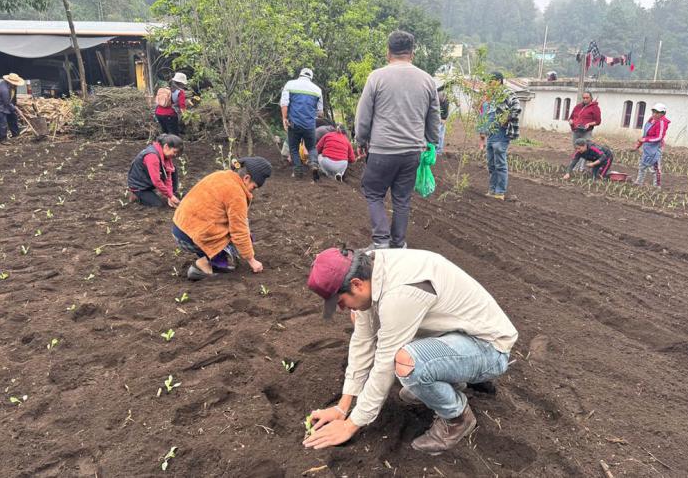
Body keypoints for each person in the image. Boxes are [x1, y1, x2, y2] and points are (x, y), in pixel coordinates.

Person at [303, 247, 518, 454]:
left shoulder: (400, 293)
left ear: (356, 284)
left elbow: (385, 363)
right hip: (453, 335)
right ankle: (446, 379)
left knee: (408, 364)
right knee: (362, 316)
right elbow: (363, 340)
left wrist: (351, 424)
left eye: (340, 301)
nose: (340, 308)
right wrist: (342, 407)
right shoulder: (366, 269)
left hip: (488, 348)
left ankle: (458, 418)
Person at [355, 30, 440, 250]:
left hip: (382, 150)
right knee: (402, 199)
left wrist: (360, 140)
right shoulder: (427, 80)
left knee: (374, 192)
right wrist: (432, 141)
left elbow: (363, 115)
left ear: (388, 52)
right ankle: (398, 243)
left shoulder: (377, 77)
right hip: (412, 152)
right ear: (412, 53)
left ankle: (381, 242)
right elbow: (434, 117)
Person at [172, 157, 272, 280]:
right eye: (254, 187)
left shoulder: (222, 176)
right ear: (246, 178)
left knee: (241, 237)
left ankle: (209, 256)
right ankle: (202, 266)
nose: (253, 191)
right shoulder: (236, 193)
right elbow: (239, 230)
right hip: (190, 236)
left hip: (180, 227)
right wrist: (252, 260)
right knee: (232, 255)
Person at [477, 72, 522, 200]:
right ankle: (492, 190)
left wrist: (506, 118)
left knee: (500, 163)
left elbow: (517, 108)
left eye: (490, 81)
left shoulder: (507, 93)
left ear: (498, 81)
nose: (488, 84)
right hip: (491, 134)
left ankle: (500, 192)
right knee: (491, 163)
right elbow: (485, 115)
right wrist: (482, 133)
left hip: (501, 133)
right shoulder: (491, 96)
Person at [281, 68, 323, 180]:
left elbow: (284, 103)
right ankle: (314, 164)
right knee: (312, 147)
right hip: (309, 125)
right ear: (311, 77)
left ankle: (298, 172)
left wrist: (284, 118)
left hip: (294, 124)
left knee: (294, 148)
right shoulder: (317, 90)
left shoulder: (290, 84)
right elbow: (320, 112)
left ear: (300, 74)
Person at [127, 134, 183, 208]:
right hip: (139, 185)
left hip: (148, 180)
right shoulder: (152, 156)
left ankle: (169, 193)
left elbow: (168, 176)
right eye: (174, 152)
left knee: (173, 170)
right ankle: (135, 194)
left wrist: (170, 195)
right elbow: (156, 181)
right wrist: (170, 196)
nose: (175, 155)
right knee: (158, 205)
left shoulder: (165, 155)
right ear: (166, 146)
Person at [634, 103, 670, 188]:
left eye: (657, 112)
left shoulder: (662, 122)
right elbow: (645, 134)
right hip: (648, 147)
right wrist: (639, 144)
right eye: (653, 112)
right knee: (642, 165)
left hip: (655, 148)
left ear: (662, 113)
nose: (654, 114)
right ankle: (638, 183)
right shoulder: (651, 120)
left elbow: (659, 137)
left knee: (655, 168)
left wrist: (645, 140)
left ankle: (656, 186)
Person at [568, 91, 601, 172]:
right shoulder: (578, 107)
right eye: (584, 98)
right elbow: (571, 117)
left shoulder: (595, 108)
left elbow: (598, 121)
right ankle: (575, 167)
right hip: (576, 130)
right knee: (577, 149)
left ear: (591, 98)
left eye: (587, 98)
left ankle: (581, 168)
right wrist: (571, 121)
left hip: (586, 132)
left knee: (584, 149)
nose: (585, 99)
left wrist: (589, 124)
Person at [0, 73, 25, 144]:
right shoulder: (4, 90)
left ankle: (15, 135)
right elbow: (7, 103)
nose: (17, 85)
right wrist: (16, 109)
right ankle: (3, 140)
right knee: (3, 123)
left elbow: (13, 99)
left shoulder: (13, 87)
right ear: (10, 82)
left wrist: (15, 106)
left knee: (13, 118)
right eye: (15, 84)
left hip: (7, 104)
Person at [436, 83, 449, 155]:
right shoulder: (436, 94)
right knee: (436, 133)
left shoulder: (446, 99)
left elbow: (446, 110)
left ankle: (439, 151)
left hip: (443, 116)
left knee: (440, 134)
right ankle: (435, 150)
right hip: (436, 115)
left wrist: (444, 118)